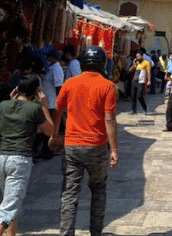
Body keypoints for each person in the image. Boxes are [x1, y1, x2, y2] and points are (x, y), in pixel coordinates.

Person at [50, 46, 119, 236]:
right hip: (97, 146)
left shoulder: (70, 83)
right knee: (98, 189)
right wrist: (113, 149)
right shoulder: (108, 86)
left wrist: (54, 135)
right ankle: (95, 233)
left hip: (71, 146)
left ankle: (66, 233)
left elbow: (58, 111)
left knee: (69, 195)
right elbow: (109, 119)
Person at [0, 74, 54, 236]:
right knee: (9, 208)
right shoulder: (34, 109)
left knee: (10, 202)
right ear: (37, 91)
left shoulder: (4, 105)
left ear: (17, 89)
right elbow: (50, 131)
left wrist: (13, 99)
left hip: (0, 157)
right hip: (19, 160)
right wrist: (44, 105)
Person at [128, 50, 150, 114]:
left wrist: (149, 80)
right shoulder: (136, 63)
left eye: (139, 56)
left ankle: (145, 108)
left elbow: (148, 72)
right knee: (133, 95)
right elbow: (130, 70)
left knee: (139, 96)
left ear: (142, 56)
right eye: (136, 56)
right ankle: (134, 110)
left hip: (141, 81)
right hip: (134, 80)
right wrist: (134, 65)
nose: (137, 57)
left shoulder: (146, 63)